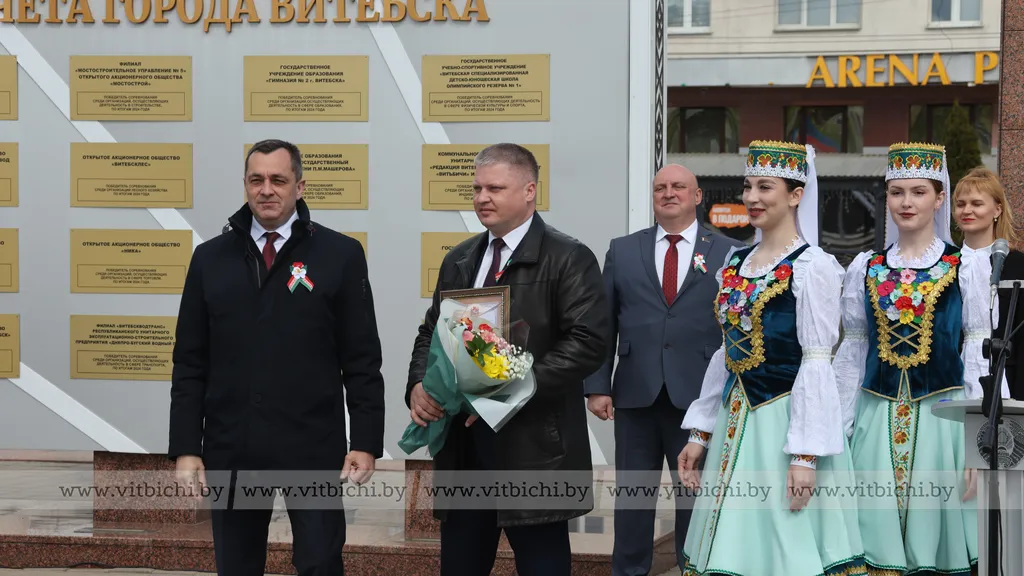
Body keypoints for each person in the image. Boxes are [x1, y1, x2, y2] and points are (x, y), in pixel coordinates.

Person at [168, 139, 386, 576]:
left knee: (321, 561)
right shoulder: (210, 258)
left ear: (299, 186)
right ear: (246, 185)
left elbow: (361, 356)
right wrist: (187, 448)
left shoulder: (339, 255)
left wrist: (364, 439)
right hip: (233, 445)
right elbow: (190, 362)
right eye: (257, 179)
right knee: (237, 564)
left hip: (312, 444)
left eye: (278, 180)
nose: (267, 189)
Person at [405, 143, 609, 576]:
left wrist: (505, 391)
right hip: (465, 444)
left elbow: (588, 342)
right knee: (460, 563)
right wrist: (419, 384)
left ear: (530, 190)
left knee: (541, 563)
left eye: (495, 187)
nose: (482, 197)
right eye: (477, 188)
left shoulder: (568, 257)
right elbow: (432, 331)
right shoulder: (461, 258)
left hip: (533, 444)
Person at [677, 140, 867, 576]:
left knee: (783, 542)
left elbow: (818, 359)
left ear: (796, 195)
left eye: (765, 187)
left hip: (785, 424)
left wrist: (804, 456)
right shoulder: (735, 261)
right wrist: (701, 431)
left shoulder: (813, 266)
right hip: (736, 418)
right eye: (747, 186)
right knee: (735, 545)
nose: (752, 197)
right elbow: (727, 351)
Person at [832, 143, 1010, 575]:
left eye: (918, 192)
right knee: (873, 530)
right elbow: (852, 353)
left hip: (942, 421)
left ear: (939, 198)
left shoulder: (964, 265)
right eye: (897, 192)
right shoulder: (866, 266)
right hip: (875, 416)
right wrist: (834, 426)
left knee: (938, 529)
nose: (906, 203)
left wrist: (982, 437)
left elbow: (979, 354)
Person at [583, 163, 742, 576]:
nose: (668, 193)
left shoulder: (728, 252)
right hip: (636, 394)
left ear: (697, 196)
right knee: (633, 498)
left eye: (678, 187)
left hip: (700, 397)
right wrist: (597, 385)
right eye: (660, 188)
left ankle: (695, 569)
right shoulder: (623, 249)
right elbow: (604, 323)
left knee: (694, 496)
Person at [953, 165, 1024, 399]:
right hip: (952, 376)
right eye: (961, 204)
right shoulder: (946, 264)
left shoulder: (1017, 265)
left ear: (997, 209)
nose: (967, 210)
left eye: (976, 203)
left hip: (1007, 377)